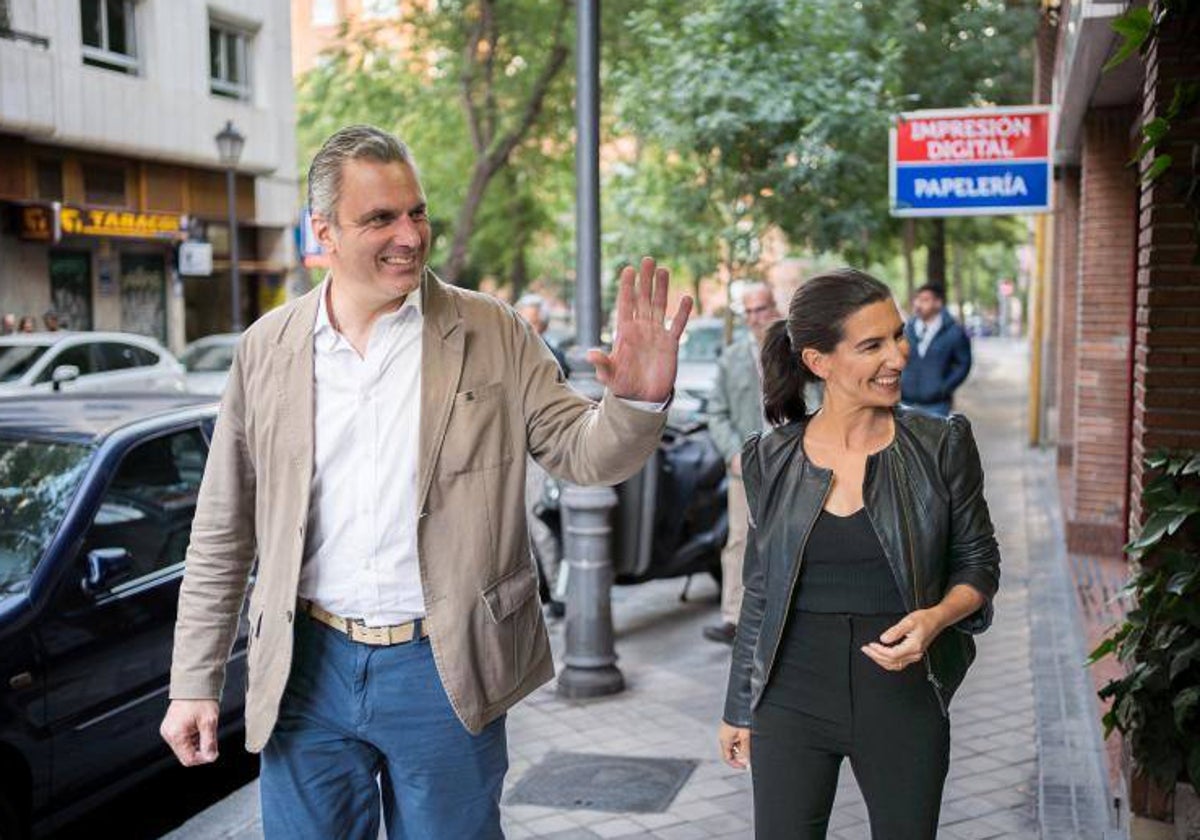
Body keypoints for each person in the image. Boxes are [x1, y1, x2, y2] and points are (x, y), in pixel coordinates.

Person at [160, 124, 693, 840]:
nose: (409, 235)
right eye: (380, 218)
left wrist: (635, 403)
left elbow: (581, 451)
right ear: (324, 232)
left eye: (416, 213)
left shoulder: (492, 330)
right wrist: (194, 681)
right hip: (306, 666)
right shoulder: (268, 349)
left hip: (443, 664)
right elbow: (223, 527)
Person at [718, 268, 1000, 840]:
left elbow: (979, 562)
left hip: (902, 694)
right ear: (819, 362)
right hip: (789, 696)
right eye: (872, 345)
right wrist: (738, 707)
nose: (898, 356)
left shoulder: (941, 445)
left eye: (897, 336)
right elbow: (761, 590)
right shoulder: (769, 458)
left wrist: (935, 619)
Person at [702, 283, 784, 644]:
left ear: (775, 308)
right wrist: (733, 453)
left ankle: (788, 614)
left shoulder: (794, 351)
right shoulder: (731, 358)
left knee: (790, 538)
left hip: (793, 461)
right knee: (739, 540)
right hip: (745, 465)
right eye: (749, 312)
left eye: (761, 309)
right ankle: (733, 617)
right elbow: (716, 413)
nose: (755, 318)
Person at [514, 292, 568, 618]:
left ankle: (559, 596)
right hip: (514, 451)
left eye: (533, 323)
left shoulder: (553, 355)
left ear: (544, 325)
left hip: (540, 456)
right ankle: (541, 593)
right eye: (522, 321)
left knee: (543, 525)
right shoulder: (507, 353)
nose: (527, 329)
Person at [900, 283, 972, 417]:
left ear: (938, 303)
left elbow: (964, 364)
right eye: (917, 299)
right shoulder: (906, 330)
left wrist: (944, 388)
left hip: (937, 406)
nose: (918, 304)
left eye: (925, 300)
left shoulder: (954, 332)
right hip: (905, 404)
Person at [515, 292, 569, 376]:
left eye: (533, 323)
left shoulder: (557, 359)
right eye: (520, 323)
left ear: (545, 326)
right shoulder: (505, 355)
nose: (525, 329)